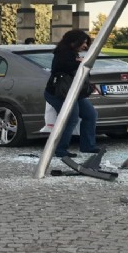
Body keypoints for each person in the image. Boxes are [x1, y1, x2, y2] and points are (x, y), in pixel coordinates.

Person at [43, 29, 100, 158]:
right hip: (59, 93)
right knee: (70, 118)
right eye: (83, 42)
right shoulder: (62, 54)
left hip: (73, 93)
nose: (85, 46)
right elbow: (61, 67)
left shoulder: (73, 54)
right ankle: (60, 149)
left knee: (90, 114)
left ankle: (88, 146)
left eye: (86, 43)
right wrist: (79, 63)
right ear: (74, 41)